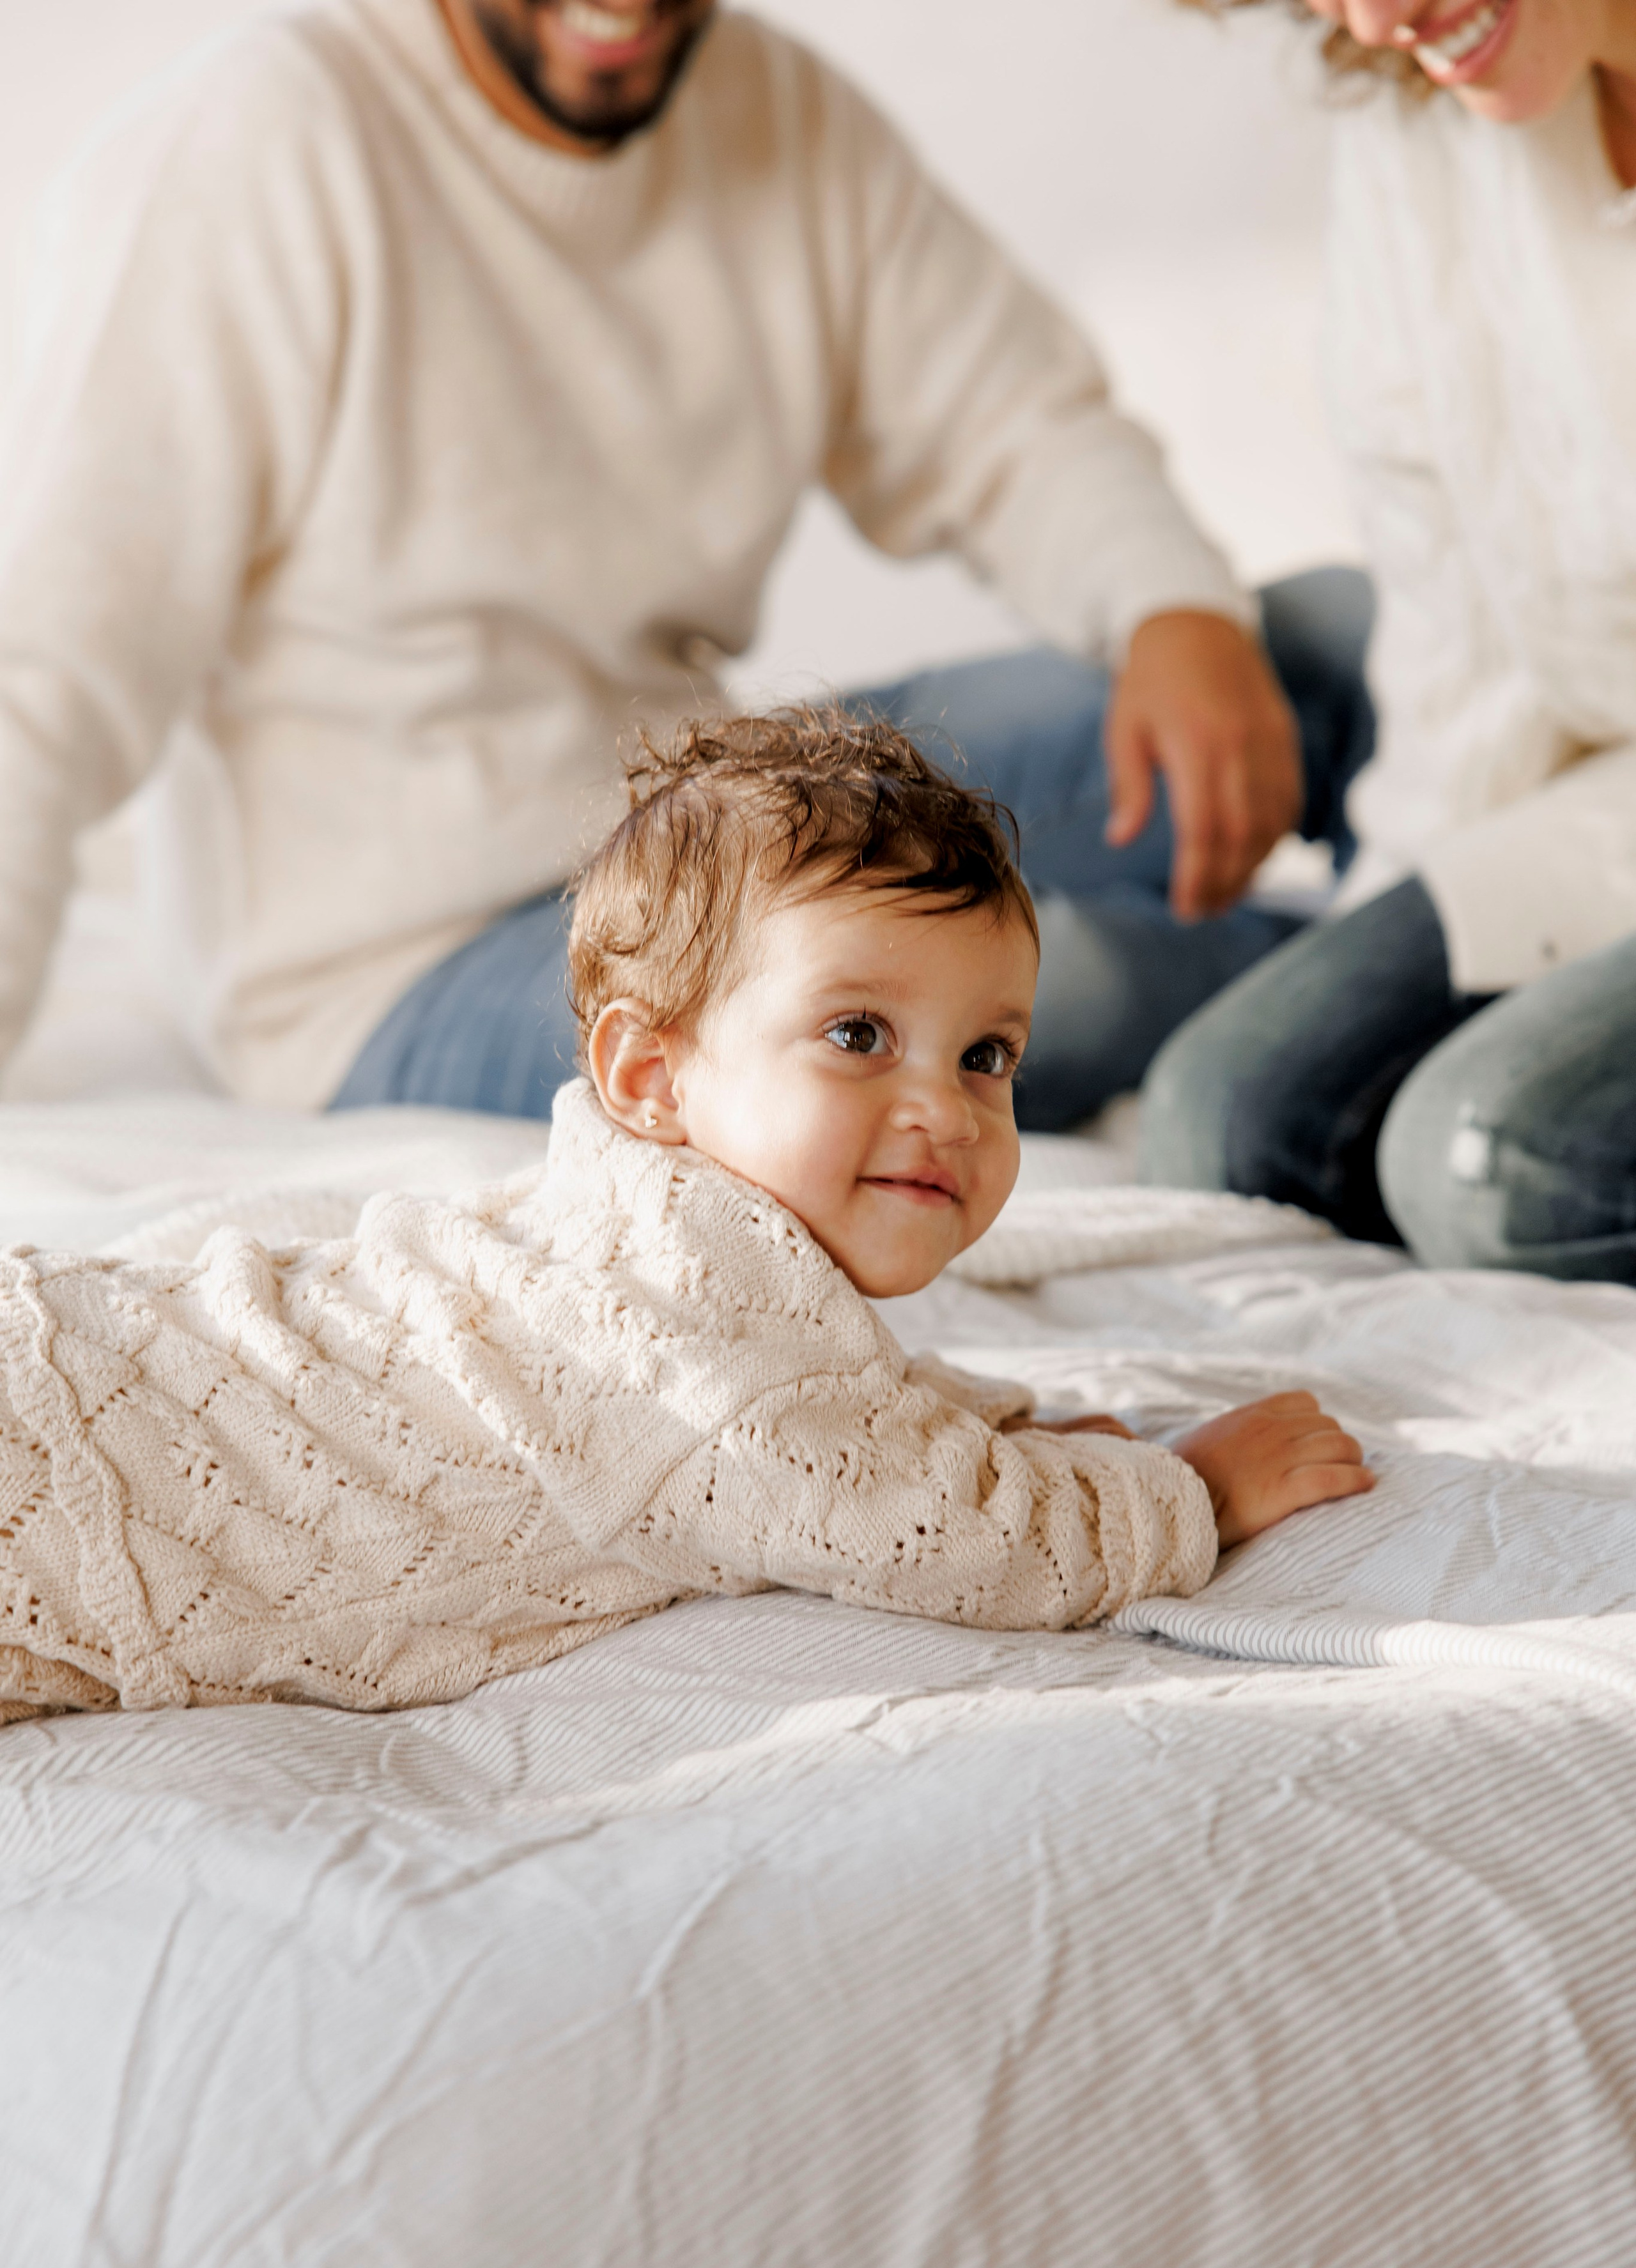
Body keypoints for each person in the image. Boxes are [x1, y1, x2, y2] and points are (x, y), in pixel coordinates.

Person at [0, 0, 1369, 1134]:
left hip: (699, 817)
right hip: (402, 969)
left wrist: (1171, 610)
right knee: (1035, 992)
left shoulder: (779, 112)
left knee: (1307, 642)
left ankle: (1514, 905)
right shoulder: (259, 140)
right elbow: (45, 672)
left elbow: (1012, 426)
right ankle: (1447, 994)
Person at [0, 709, 1373, 1727]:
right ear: (649, 1077)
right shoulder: (717, 1345)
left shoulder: (639, 1238)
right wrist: (1181, 1491)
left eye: (987, 1056)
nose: (946, 1111)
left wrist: (982, 1422)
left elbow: (812, 1408)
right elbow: (965, 1539)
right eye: (856, 1034)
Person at [1144, 0, 1636, 1280]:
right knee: (1221, 1121)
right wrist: (1397, 937)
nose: (1369, 17)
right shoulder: (1419, 123)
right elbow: (1456, 622)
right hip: (1612, 792)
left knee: (1494, 1164)